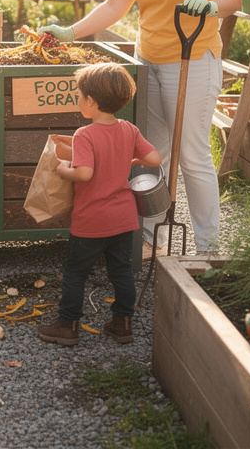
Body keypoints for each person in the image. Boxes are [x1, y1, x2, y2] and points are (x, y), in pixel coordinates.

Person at [39, 0, 240, 255]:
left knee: (192, 153)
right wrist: (71, 31)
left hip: (192, 61)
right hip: (148, 61)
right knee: (151, 152)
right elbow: (115, 5)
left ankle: (208, 247)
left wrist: (212, 6)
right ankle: (152, 239)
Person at [37, 63, 163, 346]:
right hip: (124, 219)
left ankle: (67, 325)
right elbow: (155, 159)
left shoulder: (85, 134)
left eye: (79, 95)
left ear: (91, 101)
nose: (78, 99)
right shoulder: (129, 129)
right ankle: (123, 324)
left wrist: (63, 170)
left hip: (92, 220)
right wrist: (133, 159)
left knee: (75, 273)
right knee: (121, 271)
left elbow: (84, 173)